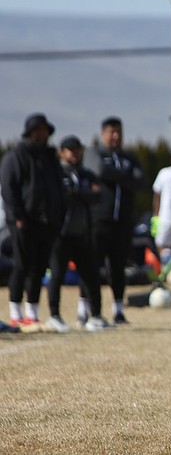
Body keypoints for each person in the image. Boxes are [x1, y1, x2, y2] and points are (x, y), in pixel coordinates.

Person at [1, 113, 65, 330]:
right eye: (37, 130)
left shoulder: (49, 158)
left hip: (46, 222)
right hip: (23, 222)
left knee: (38, 268)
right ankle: (15, 312)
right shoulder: (16, 156)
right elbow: (9, 189)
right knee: (21, 265)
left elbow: (59, 188)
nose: (42, 134)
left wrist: (58, 217)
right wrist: (17, 216)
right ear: (29, 133)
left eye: (45, 130)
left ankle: (32, 312)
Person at [46, 136, 112, 332]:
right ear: (62, 153)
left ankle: (96, 316)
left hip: (82, 233)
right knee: (57, 275)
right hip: (62, 233)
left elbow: (98, 196)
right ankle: (54, 315)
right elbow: (64, 196)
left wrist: (79, 192)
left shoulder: (86, 174)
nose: (76, 154)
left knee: (91, 275)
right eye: (71, 150)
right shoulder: (57, 174)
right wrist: (83, 192)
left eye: (78, 150)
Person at [88, 116, 145, 325]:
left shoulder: (129, 158)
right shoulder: (95, 154)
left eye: (119, 132)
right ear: (103, 134)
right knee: (92, 267)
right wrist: (124, 176)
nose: (116, 136)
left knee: (118, 267)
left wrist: (118, 175)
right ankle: (86, 309)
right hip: (99, 220)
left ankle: (118, 310)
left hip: (122, 222)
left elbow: (140, 180)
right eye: (111, 132)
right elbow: (100, 170)